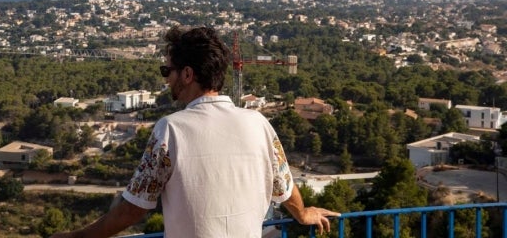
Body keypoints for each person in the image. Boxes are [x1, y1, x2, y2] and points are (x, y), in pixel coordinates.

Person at [50, 25, 339, 238]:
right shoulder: (259, 123)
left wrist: (77, 236)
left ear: (187, 74)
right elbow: (284, 187)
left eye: (168, 71)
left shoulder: (170, 130)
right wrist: (302, 215)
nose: (166, 79)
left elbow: (134, 209)